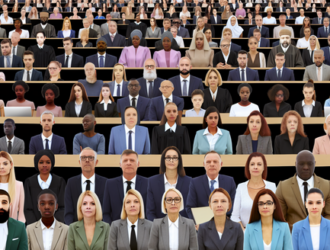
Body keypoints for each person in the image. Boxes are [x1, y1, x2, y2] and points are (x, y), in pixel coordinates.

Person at [276, 150, 330, 230]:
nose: (305, 167)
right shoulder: (282, 187)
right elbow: (279, 219)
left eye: (309, 164)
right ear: (295, 164)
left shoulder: (327, 185)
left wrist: (316, 228)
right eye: (301, 164)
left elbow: (329, 215)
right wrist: (298, 229)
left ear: (315, 164)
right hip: (293, 238)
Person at [186, 151, 236, 225]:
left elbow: (234, 205)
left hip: (225, 225)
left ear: (221, 164)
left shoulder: (230, 181)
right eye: (208, 162)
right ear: (204, 164)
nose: (212, 164)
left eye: (215, 161)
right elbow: (189, 208)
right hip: (202, 226)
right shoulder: (195, 182)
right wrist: (196, 224)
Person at [231, 153, 276, 231]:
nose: (255, 167)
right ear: (248, 167)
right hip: (245, 232)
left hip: (268, 232)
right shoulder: (241, 187)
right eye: (252, 164)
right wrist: (245, 233)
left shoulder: (272, 186)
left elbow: (276, 213)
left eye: (259, 164)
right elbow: (234, 216)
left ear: (264, 167)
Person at [103, 149, 148, 224]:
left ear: (138, 164)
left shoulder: (147, 183)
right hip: (116, 231)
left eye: (132, 160)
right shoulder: (110, 184)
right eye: (125, 160)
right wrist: (113, 230)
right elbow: (106, 213)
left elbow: (150, 211)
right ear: (120, 164)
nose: (128, 163)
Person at [64, 147, 107, 225]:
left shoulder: (106, 183)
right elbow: (68, 212)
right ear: (79, 162)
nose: (87, 160)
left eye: (90, 158)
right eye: (83, 158)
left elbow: (107, 211)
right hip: (76, 229)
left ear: (96, 162)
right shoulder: (71, 183)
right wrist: (71, 230)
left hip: (100, 229)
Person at [147, 146, 192, 220]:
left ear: (179, 161)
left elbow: (191, 209)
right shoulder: (152, 182)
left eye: (174, 158)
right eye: (168, 157)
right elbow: (150, 212)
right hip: (159, 228)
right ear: (163, 160)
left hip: (183, 227)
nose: (171, 160)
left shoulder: (190, 182)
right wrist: (158, 228)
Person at [24, 150, 66, 225]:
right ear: (36, 164)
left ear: (52, 164)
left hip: (55, 227)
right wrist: (36, 226)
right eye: (41, 162)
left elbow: (62, 207)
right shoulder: (29, 182)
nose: (44, 165)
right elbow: (27, 208)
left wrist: (53, 224)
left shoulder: (59, 182)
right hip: (34, 228)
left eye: (48, 162)